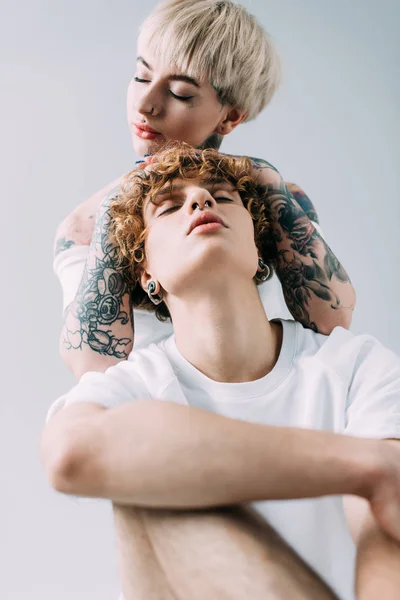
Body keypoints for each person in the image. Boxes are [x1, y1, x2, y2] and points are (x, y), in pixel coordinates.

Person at [42, 145, 400, 600]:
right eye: (170, 206)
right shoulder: (136, 385)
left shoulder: (354, 366)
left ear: (258, 250)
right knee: (146, 483)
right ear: (146, 273)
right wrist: (369, 465)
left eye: (222, 197)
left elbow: (385, 525)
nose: (201, 202)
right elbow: (70, 453)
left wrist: (379, 479)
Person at [53, 0, 355, 382]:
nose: (145, 105)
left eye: (179, 93)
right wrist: (119, 206)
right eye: (142, 77)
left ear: (230, 116)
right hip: (156, 421)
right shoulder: (84, 226)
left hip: (273, 404)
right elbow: (93, 365)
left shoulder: (274, 198)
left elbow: (333, 321)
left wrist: (266, 179)